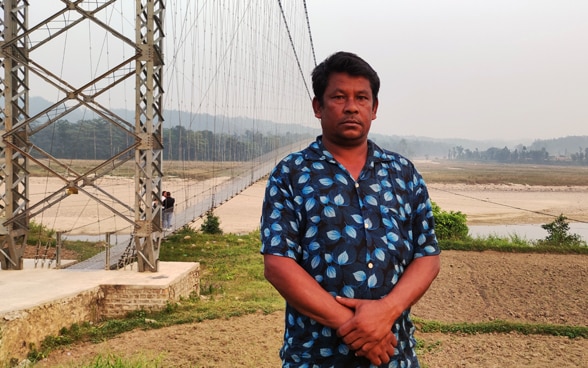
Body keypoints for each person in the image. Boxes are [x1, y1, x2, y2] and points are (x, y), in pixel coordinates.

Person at [260, 51, 441, 367]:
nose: (351, 106)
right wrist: (356, 327)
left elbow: (427, 256)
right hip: (314, 356)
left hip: (394, 355)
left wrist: (385, 312)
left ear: (374, 109)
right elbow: (279, 264)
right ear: (318, 106)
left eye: (362, 98)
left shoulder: (403, 173)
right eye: (339, 97)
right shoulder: (290, 173)